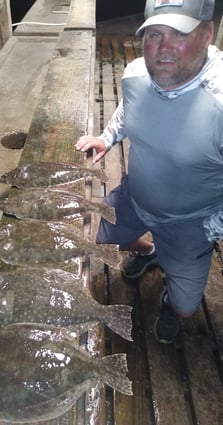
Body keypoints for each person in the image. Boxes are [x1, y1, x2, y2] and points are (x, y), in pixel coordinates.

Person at [75, 0, 223, 344]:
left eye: (180, 34)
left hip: (192, 221)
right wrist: (107, 137)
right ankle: (148, 251)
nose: (164, 49)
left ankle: (171, 304)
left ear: (208, 33)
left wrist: (212, 227)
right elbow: (129, 110)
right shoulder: (136, 74)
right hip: (135, 196)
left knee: (187, 308)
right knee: (90, 236)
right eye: (155, 34)